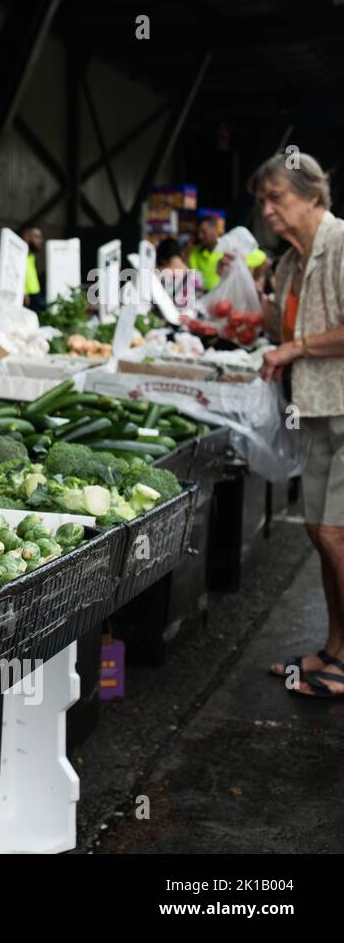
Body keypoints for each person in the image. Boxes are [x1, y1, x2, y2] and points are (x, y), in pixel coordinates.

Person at [251, 152, 344, 697]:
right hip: (312, 406)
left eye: (276, 197)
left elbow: (301, 337)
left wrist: (296, 347)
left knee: (335, 532)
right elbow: (282, 325)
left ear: (312, 195)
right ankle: (332, 647)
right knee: (319, 531)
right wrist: (247, 300)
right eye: (262, 200)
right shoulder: (289, 261)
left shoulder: (341, 245)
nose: (267, 210)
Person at [188, 215, 268, 292]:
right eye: (198, 232)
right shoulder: (195, 252)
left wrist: (254, 280)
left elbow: (264, 259)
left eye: (204, 232)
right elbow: (192, 278)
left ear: (215, 230)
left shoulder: (231, 247)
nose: (200, 236)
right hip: (205, 298)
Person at [21, 225, 45, 311]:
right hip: (26, 298)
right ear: (26, 237)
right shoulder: (20, 255)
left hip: (35, 295)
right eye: (37, 237)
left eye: (41, 238)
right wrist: (23, 292)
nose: (40, 241)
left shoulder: (31, 255)